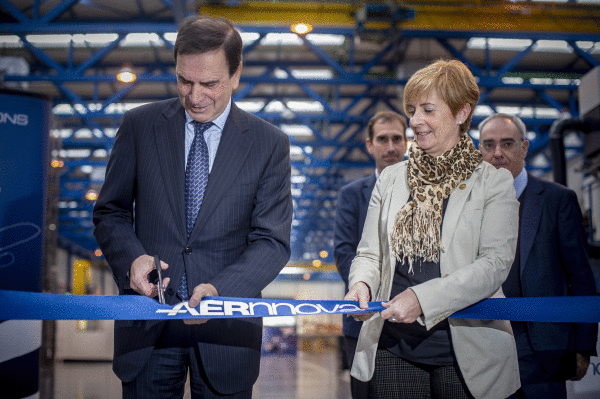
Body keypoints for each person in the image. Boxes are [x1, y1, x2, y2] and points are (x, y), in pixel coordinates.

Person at [93, 15, 293, 399]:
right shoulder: (140, 125)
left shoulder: (269, 144)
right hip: (149, 324)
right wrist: (133, 259)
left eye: (210, 84)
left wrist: (223, 290)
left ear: (236, 75)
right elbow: (111, 211)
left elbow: (272, 241)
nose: (195, 96)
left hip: (227, 330)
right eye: (185, 81)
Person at [344, 59, 521, 399]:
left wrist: (421, 299)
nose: (415, 122)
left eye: (427, 110)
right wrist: (361, 284)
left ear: (461, 112)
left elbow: (494, 265)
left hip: (468, 352)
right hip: (394, 347)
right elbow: (369, 252)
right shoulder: (392, 179)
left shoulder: (493, 183)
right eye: (412, 111)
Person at [478, 113, 598, 399]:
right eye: (489, 145)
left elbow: (580, 276)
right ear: (479, 151)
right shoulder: (469, 207)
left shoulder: (558, 200)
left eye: (507, 144)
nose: (497, 154)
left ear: (524, 147)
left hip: (544, 352)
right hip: (485, 350)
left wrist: (583, 348)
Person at [334, 111, 408, 398]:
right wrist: (365, 291)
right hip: (362, 319)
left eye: (396, 139)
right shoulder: (351, 194)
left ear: (406, 143)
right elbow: (344, 250)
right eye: (382, 139)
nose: (390, 147)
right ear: (369, 145)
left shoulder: (424, 192)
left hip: (409, 319)